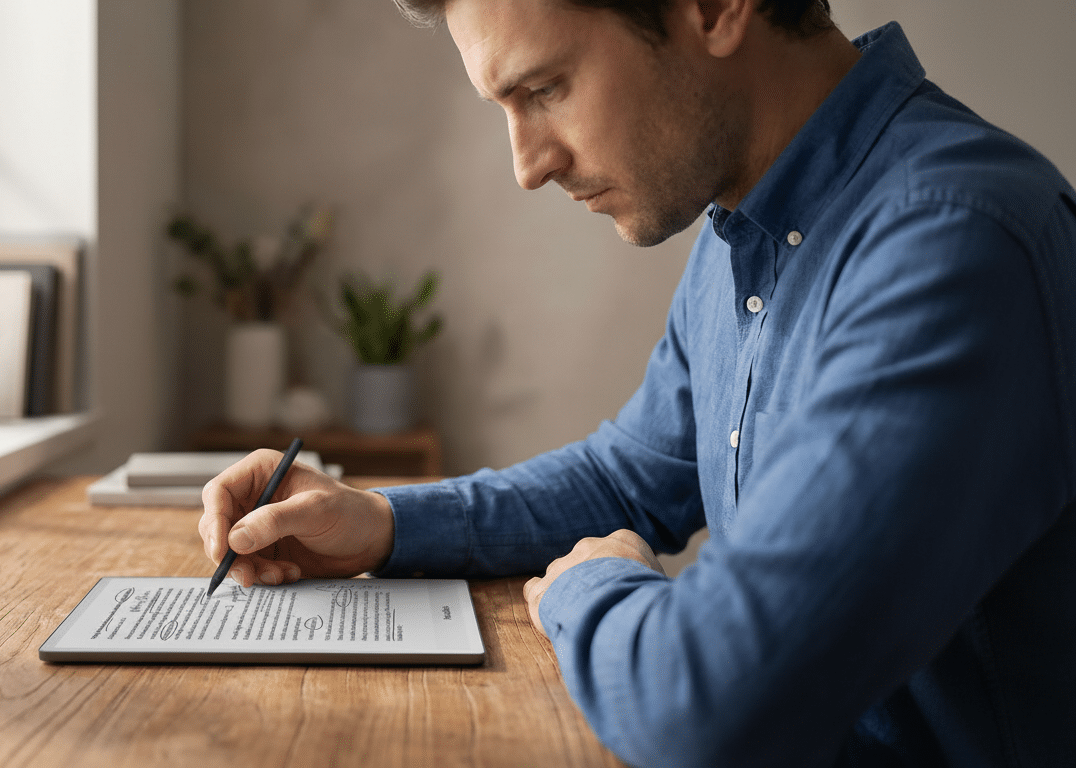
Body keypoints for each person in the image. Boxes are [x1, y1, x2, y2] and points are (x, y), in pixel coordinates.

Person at [198, 0, 1076, 764]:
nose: (528, 164)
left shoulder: (954, 248)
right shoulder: (746, 228)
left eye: (544, 89)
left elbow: (709, 707)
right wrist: (382, 524)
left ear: (714, 7)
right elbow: (628, 479)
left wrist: (594, 586)